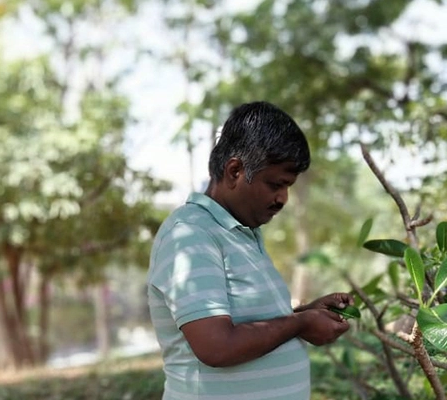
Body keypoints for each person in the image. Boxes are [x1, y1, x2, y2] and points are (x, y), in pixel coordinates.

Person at [147, 101, 353, 399]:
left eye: (288, 187)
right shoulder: (191, 234)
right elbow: (217, 346)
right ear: (235, 171)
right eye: (276, 184)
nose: (283, 198)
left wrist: (306, 314)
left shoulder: (242, 233)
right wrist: (300, 323)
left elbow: (251, 326)